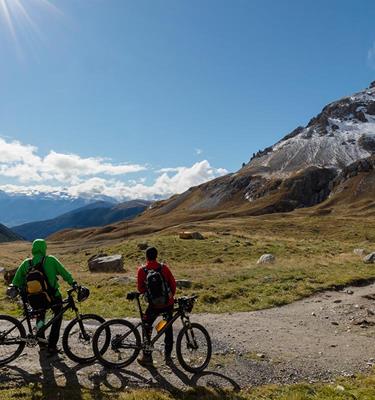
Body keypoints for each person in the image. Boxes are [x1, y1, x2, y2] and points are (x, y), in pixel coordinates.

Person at [8, 238, 77, 356]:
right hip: (53, 297)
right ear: (44, 248)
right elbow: (65, 274)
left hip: (34, 298)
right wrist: (73, 284)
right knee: (57, 316)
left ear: (33, 249)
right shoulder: (50, 260)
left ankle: (41, 341)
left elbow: (16, 281)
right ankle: (52, 346)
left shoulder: (26, 263)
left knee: (40, 317)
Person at [137, 246, 176, 367]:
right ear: (156, 256)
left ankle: (147, 356)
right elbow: (173, 284)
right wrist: (169, 298)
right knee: (168, 328)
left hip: (153, 306)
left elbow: (140, 288)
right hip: (167, 304)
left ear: (146, 257)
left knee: (147, 326)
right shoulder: (164, 268)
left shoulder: (142, 270)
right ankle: (168, 357)